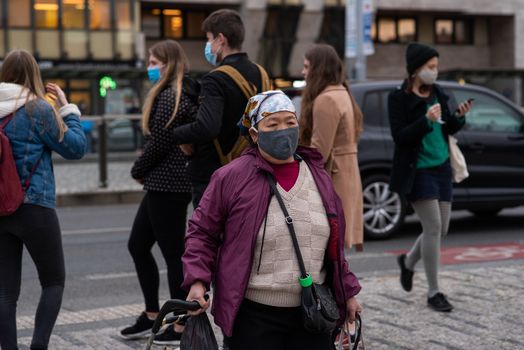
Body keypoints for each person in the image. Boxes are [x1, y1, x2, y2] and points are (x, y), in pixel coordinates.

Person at [182, 91, 362, 350]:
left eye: (290, 122)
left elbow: (333, 249)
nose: (284, 130)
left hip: (313, 313)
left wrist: (348, 293)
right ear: (255, 133)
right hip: (253, 318)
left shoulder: (318, 176)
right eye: (273, 124)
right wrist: (197, 282)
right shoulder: (230, 178)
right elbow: (202, 232)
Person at [0, 49, 86, 350]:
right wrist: (68, 109)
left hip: (1, 207)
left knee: (5, 292)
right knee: (53, 282)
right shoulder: (38, 109)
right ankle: (38, 345)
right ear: (33, 75)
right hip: (35, 206)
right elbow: (75, 148)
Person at [119, 40, 199, 346]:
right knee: (138, 246)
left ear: (168, 63)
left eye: (154, 61)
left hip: (168, 184)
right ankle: (152, 314)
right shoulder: (176, 94)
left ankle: (179, 325)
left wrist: (137, 169)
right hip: (164, 184)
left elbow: (159, 142)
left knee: (173, 256)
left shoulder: (170, 96)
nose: (150, 67)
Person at [388, 42, 472, 312]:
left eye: (436, 67)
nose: (435, 72)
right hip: (418, 170)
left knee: (440, 229)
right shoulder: (398, 98)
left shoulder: (438, 92)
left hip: (442, 167)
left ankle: (408, 262)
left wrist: (459, 117)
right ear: (415, 70)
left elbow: (449, 127)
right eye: (430, 67)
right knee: (433, 227)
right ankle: (434, 292)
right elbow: (400, 137)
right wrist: (424, 121)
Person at [171, 9, 269, 209]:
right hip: (251, 167)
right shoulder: (261, 73)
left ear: (220, 39)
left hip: (215, 172)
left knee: (208, 236)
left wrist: (176, 134)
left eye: (209, 39)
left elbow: (207, 127)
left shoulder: (215, 79)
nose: (208, 45)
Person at [299, 44, 364, 252]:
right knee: (337, 250)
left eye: (307, 66)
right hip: (347, 172)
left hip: (333, 177)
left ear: (319, 69)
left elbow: (318, 152)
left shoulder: (325, 99)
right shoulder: (342, 92)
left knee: (328, 248)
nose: (303, 72)